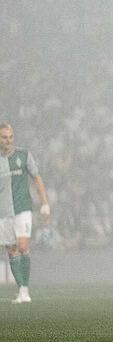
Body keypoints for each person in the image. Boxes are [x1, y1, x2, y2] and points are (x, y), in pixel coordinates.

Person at [0, 123, 50, 303]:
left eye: (11, 136)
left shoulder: (23, 155)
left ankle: (25, 289)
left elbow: (36, 177)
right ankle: (21, 290)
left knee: (22, 247)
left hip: (22, 208)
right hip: (3, 212)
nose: (9, 140)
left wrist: (45, 202)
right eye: (5, 137)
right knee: (11, 250)